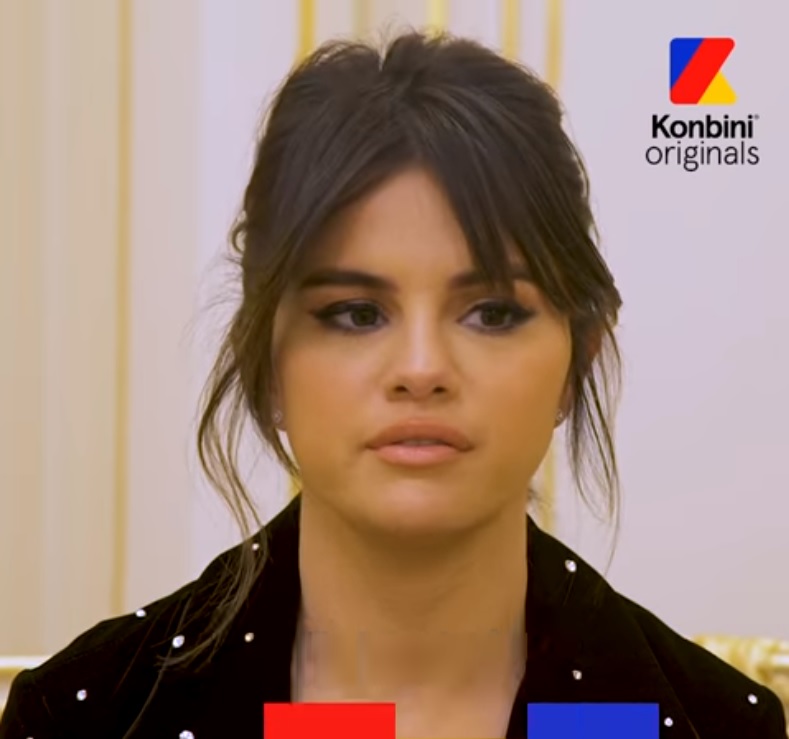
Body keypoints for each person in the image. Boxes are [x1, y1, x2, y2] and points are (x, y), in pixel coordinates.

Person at [1, 30, 784, 739]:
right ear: (264, 360)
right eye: (355, 313)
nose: (420, 368)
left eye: (491, 313)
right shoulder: (84, 715)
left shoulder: (716, 727)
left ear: (578, 359)